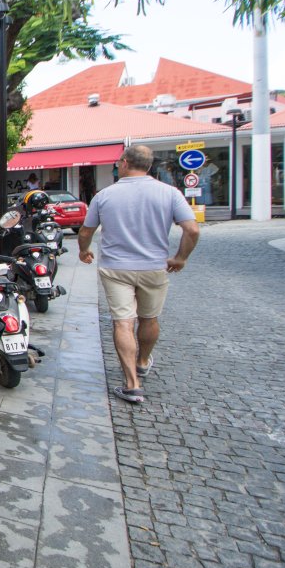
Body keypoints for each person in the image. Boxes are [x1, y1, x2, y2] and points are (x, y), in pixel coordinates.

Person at [77, 145, 199, 404]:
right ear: (149, 165)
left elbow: (86, 231)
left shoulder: (104, 195)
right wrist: (180, 257)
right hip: (154, 267)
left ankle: (132, 384)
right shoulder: (170, 193)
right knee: (149, 318)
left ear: (124, 163)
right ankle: (142, 361)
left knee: (123, 323)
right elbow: (192, 230)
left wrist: (84, 251)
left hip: (116, 268)